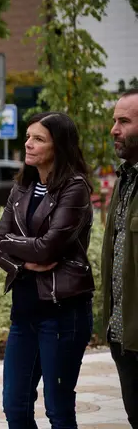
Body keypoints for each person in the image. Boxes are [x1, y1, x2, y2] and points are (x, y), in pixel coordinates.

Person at [0, 112, 95, 428]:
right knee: (15, 407)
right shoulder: (22, 186)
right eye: (27, 136)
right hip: (24, 312)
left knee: (58, 410)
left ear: (58, 146)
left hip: (62, 313)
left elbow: (49, 247)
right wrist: (24, 259)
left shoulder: (74, 189)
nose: (28, 144)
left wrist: (16, 244)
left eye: (38, 139)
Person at [102, 88, 138, 426]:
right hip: (122, 335)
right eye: (115, 121)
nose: (114, 129)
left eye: (124, 121)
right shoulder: (125, 179)